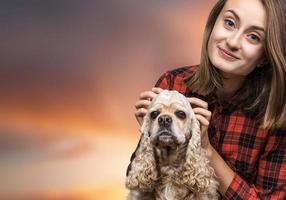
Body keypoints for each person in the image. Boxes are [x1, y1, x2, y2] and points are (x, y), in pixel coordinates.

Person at [129, 0, 286, 199]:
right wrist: (151, 133)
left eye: (253, 37)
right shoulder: (173, 83)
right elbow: (138, 182)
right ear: (213, 25)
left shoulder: (277, 114)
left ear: (265, 55)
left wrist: (206, 149)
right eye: (230, 23)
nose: (233, 42)